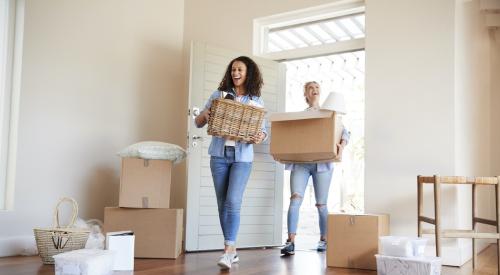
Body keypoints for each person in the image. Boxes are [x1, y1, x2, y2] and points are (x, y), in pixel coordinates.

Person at [195, 56, 267, 269]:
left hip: (242, 158)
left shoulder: (256, 100)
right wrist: (205, 114)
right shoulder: (219, 95)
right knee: (221, 203)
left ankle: (227, 250)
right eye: (233, 69)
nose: (236, 73)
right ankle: (232, 250)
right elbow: (198, 122)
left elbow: (262, 132)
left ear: (248, 73)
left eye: (240, 70)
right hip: (219, 156)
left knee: (233, 202)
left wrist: (259, 137)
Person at [280, 81, 350, 255]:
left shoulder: (329, 114)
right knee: (295, 199)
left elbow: (345, 132)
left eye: (317, 87)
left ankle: (324, 240)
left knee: (321, 204)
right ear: (306, 94)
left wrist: (341, 146)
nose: (315, 90)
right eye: (310, 88)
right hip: (301, 164)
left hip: (323, 163)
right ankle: (290, 242)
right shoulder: (299, 116)